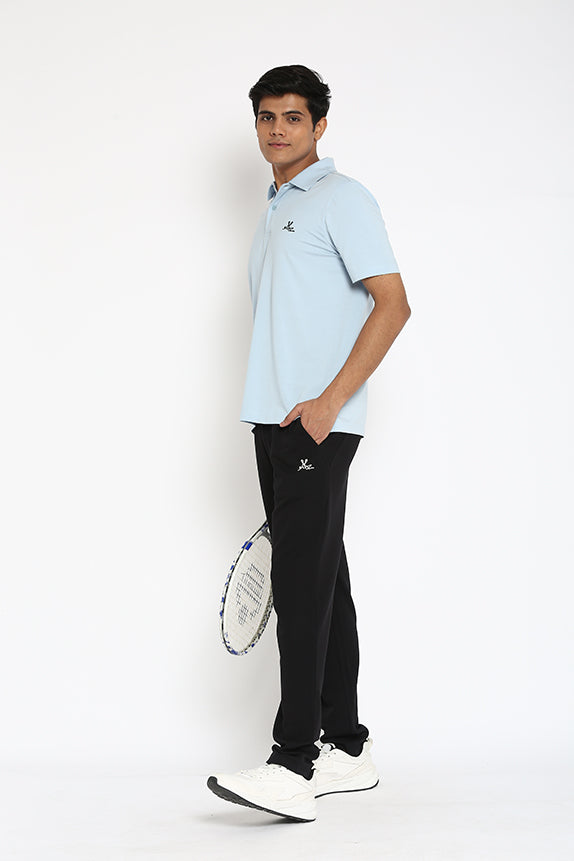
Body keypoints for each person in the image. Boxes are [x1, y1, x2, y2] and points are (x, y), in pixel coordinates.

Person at [207, 65, 411, 822]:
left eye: (293, 117)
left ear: (320, 126)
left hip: (313, 426)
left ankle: (293, 761)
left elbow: (393, 304)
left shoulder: (341, 198)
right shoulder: (276, 208)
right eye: (267, 117)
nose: (277, 129)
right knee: (323, 579)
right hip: (274, 421)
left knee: (299, 586)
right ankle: (347, 748)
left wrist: (328, 404)